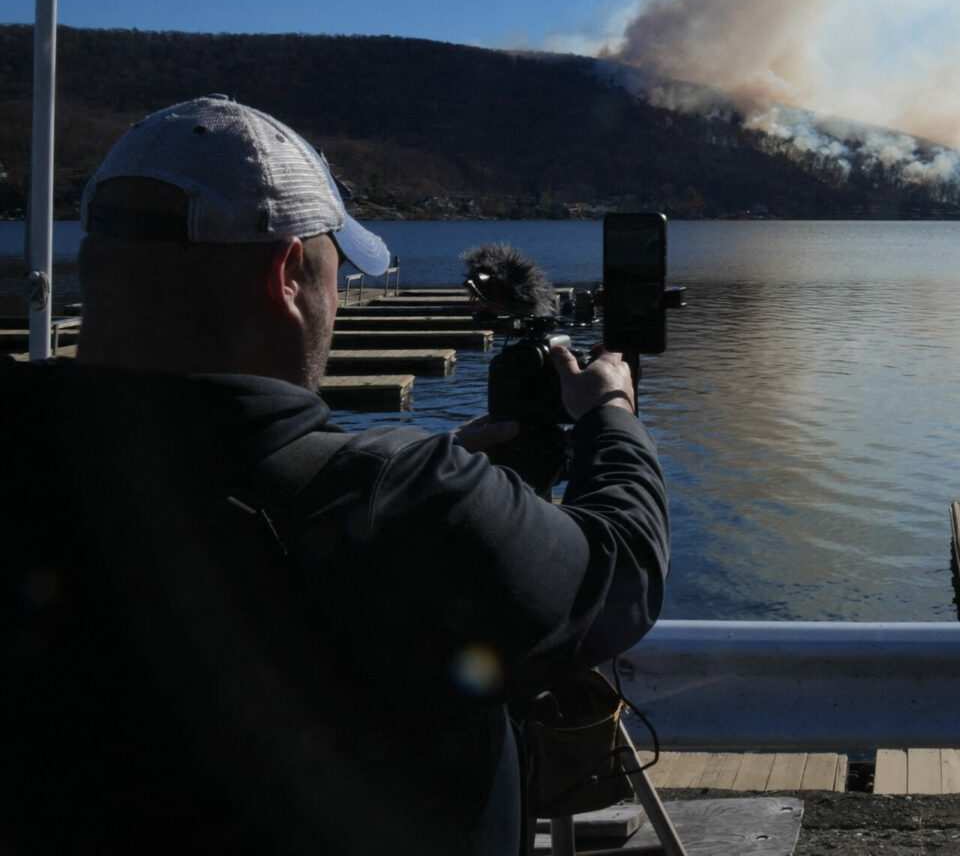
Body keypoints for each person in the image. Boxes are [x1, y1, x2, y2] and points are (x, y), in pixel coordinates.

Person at [1, 95, 670, 855]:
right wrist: (610, 413)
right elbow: (623, 570)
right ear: (288, 276)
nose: (337, 304)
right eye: (334, 276)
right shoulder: (413, 506)